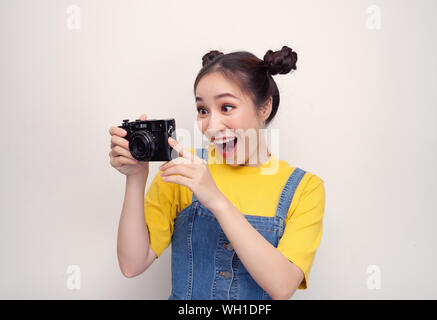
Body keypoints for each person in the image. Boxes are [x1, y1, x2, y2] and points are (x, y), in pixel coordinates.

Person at [108, 46, 325, 300]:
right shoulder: (182, 171)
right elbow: (132, 265)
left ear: (264, 108)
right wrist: (135, 178)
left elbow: (282, 286)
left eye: (227, 107)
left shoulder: (305, 188)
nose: (211, 126)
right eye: (203, 110)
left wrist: (216, 200)